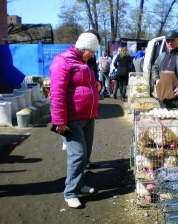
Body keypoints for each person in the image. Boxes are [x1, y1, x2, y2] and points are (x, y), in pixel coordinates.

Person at [50, 31, 102, 208]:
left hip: (88, 116)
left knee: (85, 154)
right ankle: (70, 192)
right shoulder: (62, 61)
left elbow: (87, 84)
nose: (93, 55)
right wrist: (59, 121)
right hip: (72, 118)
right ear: (84, 48)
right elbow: (56, 93)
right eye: (92, 52)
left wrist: (97, 85)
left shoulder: (82, 62)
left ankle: (79, 185)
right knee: (77, 155)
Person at [151, 30, 178, 108]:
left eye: (172, 40)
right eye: (168, 40)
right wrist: (156, 80)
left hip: (177, 98)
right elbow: (154, 68)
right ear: (165, 42)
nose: (170, 43)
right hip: (162, 96)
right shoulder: (162, 56)